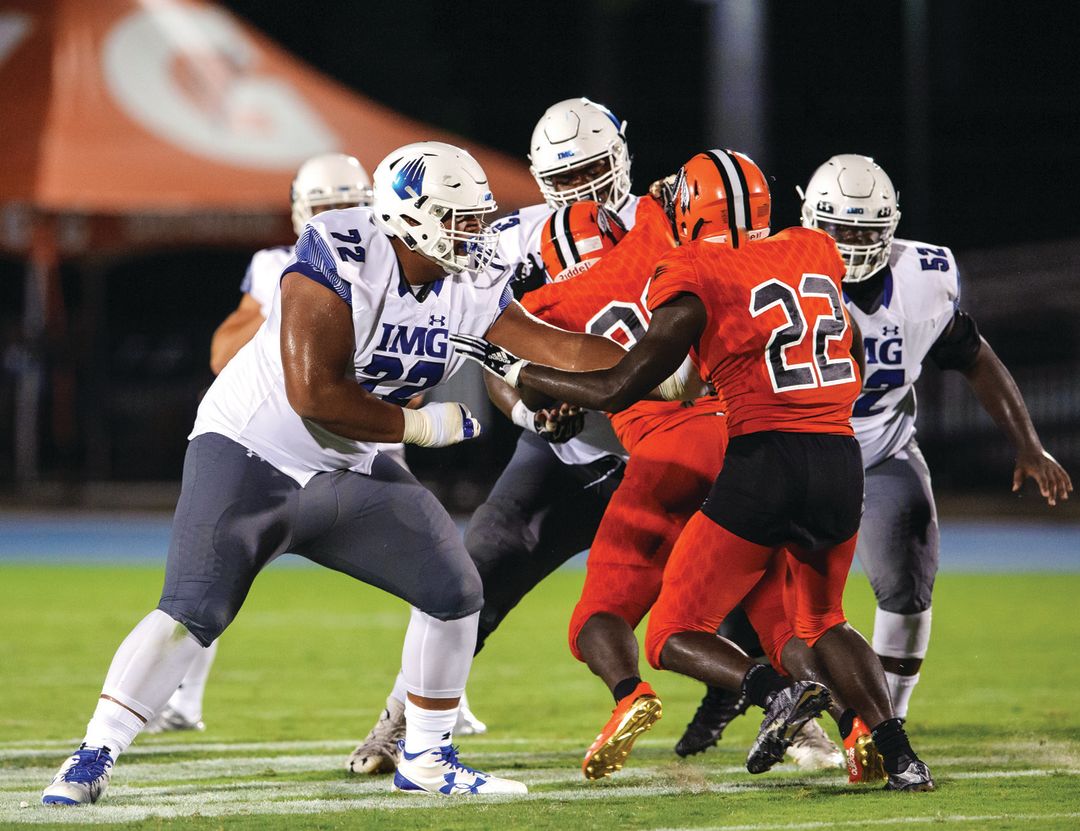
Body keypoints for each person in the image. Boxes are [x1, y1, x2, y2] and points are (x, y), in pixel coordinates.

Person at [41, 141, 634, 805]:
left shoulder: (471, 277)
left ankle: (428, 757)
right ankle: (93, 753)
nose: (474, 234)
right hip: (251, 448)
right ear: (411, 217)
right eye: (458, 219)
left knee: (454, 587)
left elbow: (554, 345)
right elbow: (314, 394)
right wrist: (420, 427)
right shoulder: (342, 250)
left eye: (477, 218)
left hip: (346, 464)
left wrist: (648, 369)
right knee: (194, 608)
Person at [453, 148, 935, 791]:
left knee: (657, 625)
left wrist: (517, 374)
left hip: (747, 455)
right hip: (838, 455)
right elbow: (844, 338)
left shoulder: (668, 272)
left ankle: (734, 694)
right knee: (815, 618)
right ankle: (886, 745)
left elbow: (624, 382)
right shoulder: (812, 248)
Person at [346, 97, 640, 775]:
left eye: (594, 170)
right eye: (565, 178)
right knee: (469, 583)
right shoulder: (511, 241)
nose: (583, 191)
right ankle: (401, 722)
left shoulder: (665, 226)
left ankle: (807, 715)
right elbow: (490, 345)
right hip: (565, 455)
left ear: (622, 158)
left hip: (663, 451)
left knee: (742, 583)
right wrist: (530, 412)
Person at [797, 154, 1072, 731]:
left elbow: (975, 357)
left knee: (908, 583)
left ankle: (883, 726)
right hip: (789, 459)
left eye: (865, 231)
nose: (849, 243)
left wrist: (1028, 445)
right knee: (763, 596)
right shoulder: (774, 276)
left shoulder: (921, 282)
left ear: (890, 226)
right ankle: (798, 722)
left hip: (880, 451)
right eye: (838, 229)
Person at [144, 152, 378, 737]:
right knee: (212, 573)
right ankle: (183, 701)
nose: (337, 218)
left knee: (440, 574)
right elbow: (223, 353)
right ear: (302, 213)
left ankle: (436, 704)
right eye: (326, 208)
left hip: (363, 446)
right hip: (275, 447)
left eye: (348, 206)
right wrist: (291, 299)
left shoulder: (390, 264)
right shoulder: (278, 264)